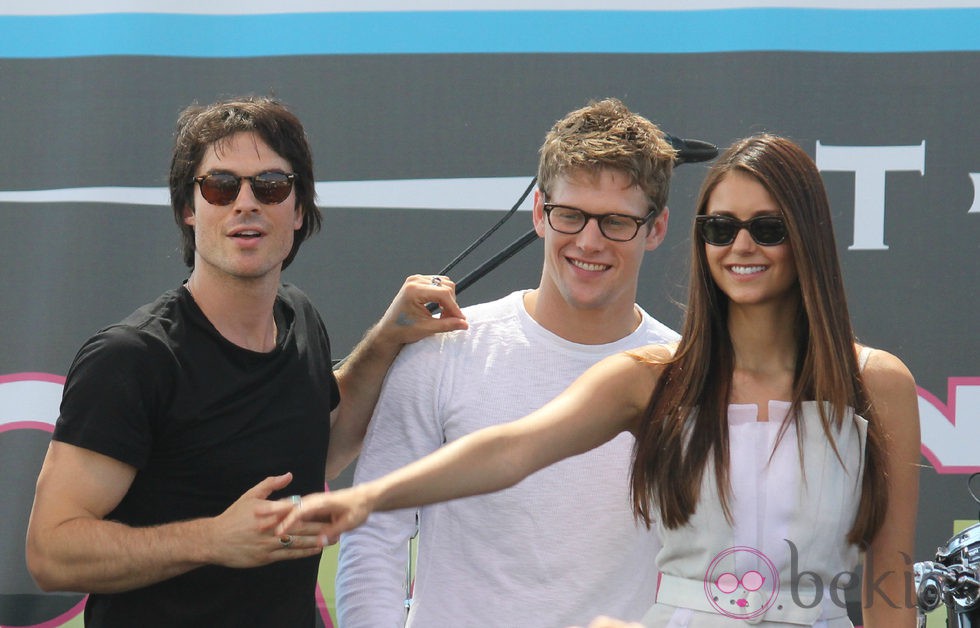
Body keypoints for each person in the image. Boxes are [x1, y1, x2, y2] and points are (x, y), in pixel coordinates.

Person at [276, 134, 921, 628]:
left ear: (806, 236)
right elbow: (513, 449)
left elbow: (889, 580)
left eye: (768, 228)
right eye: (721, 228)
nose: (740, 245)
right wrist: (368, 499)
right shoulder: (655, 379)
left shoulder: (876, 384)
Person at [24, 96, 467, 628]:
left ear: (298, 209)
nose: (245, 203)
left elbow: (317, 447)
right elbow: (51, 552)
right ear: (190, 209)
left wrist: (390, 335)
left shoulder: (299, 318)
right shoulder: (133, 358)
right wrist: (213, 539)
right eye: (220, 185)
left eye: (271, 186)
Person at [334, 98, 680, 627]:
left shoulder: (681, 373)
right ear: (540, 213)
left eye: (616, 222)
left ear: (655, 230)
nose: (589, 241)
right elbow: (374, 533)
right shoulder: (447, 348)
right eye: (571, 214)